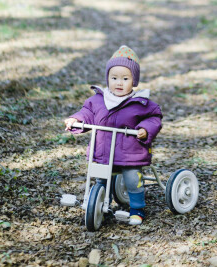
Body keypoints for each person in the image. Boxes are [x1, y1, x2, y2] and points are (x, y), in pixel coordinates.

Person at [64, 45, 162, 225]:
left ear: (134, 81)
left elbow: (154, 118)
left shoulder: (141, 103)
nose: (119, 83)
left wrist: (145, 129)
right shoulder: (98, 100)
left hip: (130, 153)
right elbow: (87, 113)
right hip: (104, 151)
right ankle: (102, 204)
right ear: (107, 78)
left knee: (133, 179)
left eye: (125, 78)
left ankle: (137, 209)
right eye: (114, 77)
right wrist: (75, 119)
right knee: (101, 180)